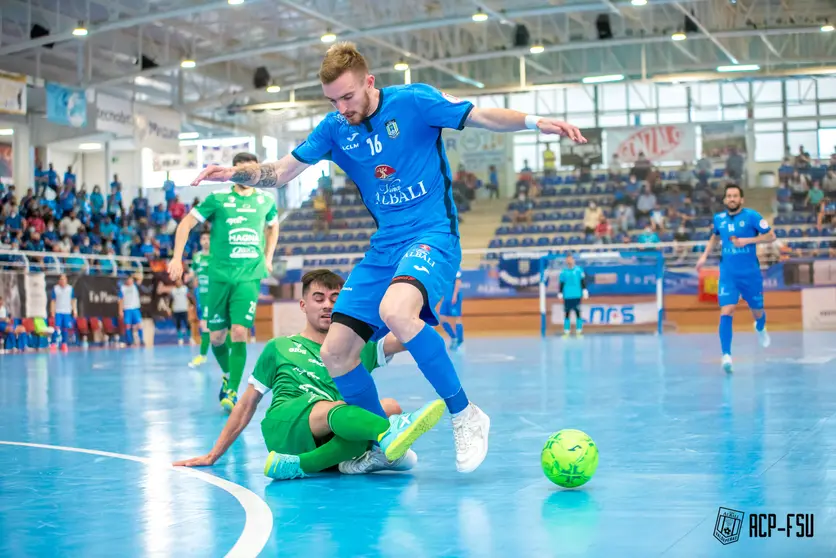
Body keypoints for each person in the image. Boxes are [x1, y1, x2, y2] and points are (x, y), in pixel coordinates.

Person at [189, 42, 585, 474]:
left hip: (432, 235)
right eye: (333, 100)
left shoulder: (414, 102)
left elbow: (480, 115)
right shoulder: (336, 127)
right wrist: (236, 174)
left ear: (369, 82)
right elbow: (282, 172)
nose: (342, 108)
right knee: (337, 353)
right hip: (385, 246)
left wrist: (534, 122)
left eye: (348, 97)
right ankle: (374, 442)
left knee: (396, 310)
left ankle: (464, 412)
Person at [173, 269, 445, 480]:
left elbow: (408, 334)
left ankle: (308, 465)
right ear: (303, 305)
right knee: (343, 408)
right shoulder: (279, 347)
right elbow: (246, 404)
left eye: (334, 299)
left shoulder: (355, 347)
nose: (327, 305)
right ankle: (386, 438)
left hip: (331, 435)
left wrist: (423, 294)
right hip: (286, 427)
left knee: (389, 406)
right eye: (319, 299)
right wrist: (214, 453)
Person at [168, 152, 280, 413]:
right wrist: (176, 258)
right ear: (233, 171)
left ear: (255, 171)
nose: (243, 174)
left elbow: (273, 226)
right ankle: (229, 373)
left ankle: (232, 390)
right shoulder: (217, 199)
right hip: (219, 277)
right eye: (238, 170)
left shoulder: (266, 200)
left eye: (248, 170)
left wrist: (268, 257)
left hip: (249, 276)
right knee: (217, 336)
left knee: (240, 331)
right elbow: (185, 224)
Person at [696, 185, 776, 373]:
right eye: (729, 196)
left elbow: (771, 236)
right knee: (727, 310)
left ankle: (761, 326)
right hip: (728, 274)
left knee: (757, 310)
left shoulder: (752, 216)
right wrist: (704, 256)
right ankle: (726, 355)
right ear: (725, 200)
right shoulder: (719, 219)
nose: (732, 199)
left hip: (750, 274)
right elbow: (714, 237)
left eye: (735, 196)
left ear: (742, 200)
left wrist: (747, 241)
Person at [187, 231, 212, 368]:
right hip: (201, 295)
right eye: (203, 238)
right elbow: (192, 272)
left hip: (214, 295)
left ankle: (203, 355)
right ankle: (204, 355)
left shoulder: (216, 256)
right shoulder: (197, 257)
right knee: (205, 325)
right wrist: (188, 277)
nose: (206, 241)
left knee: (207, 325)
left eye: (208, 238)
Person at [558, 254, 588, 337]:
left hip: (577, 295)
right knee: (567, 313)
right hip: (567, 295)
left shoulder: (579, 270)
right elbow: (562, 283)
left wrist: (584, 290)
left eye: (570, 259)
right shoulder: (563, 272)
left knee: (578, 313)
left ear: (573, 260)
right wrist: (560, 293)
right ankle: (566, 332)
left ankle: (579, 331)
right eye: (567, 260)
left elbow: (582, 281)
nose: (569, 261)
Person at [438, 268, 464, 351]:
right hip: (446, 297)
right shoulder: (444, 267)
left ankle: (460, 341)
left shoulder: (455, 267)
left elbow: (458, 281)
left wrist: (455, 295)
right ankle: (454, 337)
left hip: (454, 297)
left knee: (457, 318)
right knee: (441, 318)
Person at [50, 274, 76, 352]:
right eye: (61, 279)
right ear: (59, 281)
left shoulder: (70, 289)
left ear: (66, 280)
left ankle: (64, 344)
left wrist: (74, 310)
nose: (62, 281)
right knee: (57, 328)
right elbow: (53, 301)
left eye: (64, 279)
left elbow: (73, 300)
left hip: (67, 312)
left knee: (66, 328)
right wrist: (52, 311)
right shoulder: (55, 289)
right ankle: (53, 344)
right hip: (58, 311)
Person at [118, 274, 144, 347]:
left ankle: (141, 340)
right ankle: (130, 341)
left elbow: (141, 277)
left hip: (135, 309)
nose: (130, 281)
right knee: (127, 325)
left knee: (139, 325)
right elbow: (121, 300)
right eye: (128, 279)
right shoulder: (123, 288)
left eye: (131, 279)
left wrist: (133, 275)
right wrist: (120, 310)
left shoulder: (135, 286)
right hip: (127, 309)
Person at [169, 278, 192, 346]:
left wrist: (192, 304)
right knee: (178, 325)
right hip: (176, 310)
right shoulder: (173, 290)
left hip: (184, 309)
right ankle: (180, 339)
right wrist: (170, 308)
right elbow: (171, 300)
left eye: (180, 281)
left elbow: (189, 297)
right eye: (177, 282)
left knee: (187, 324)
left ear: (182, 282)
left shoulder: (185, 289)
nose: (178, 283)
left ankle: (190, 338)